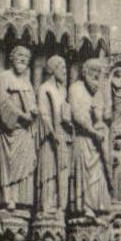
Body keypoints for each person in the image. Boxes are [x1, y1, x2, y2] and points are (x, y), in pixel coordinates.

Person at [0, 46, 37, 208]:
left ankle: (22, 199)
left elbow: (32, 101)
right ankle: (7, 199)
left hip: (25, 131)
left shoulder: (26, 81)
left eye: (27, 57)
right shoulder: (3, 77)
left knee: (24, 164)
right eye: (20, 55)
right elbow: (3, 103)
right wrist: (21, 116)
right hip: (9, 130)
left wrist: (33, 111)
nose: (23, 59)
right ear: (11, 58)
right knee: (8, 163)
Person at [69, 58, 111, 215]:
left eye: (99, 78)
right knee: (85, 176)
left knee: (97, 173)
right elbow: (78, 115)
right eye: (94, 77)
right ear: (85, 73)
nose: (97, 82)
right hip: (83, 139)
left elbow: (104, 113)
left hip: (94, 142)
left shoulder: (95, 91)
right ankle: (85, 208)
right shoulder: (76, 89)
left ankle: (96, 207)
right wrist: (94, 131)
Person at [36, 54, 71, 215]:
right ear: (53, 69)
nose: (65, 71)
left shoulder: (62, 90)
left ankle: (60, 206)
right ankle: (46, 205)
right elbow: (43, 115)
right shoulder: (45, 88)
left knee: (62, 171)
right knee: (49, 169)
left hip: (63, 136)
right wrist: (52, 133)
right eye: (62, 67)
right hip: (49, 139)